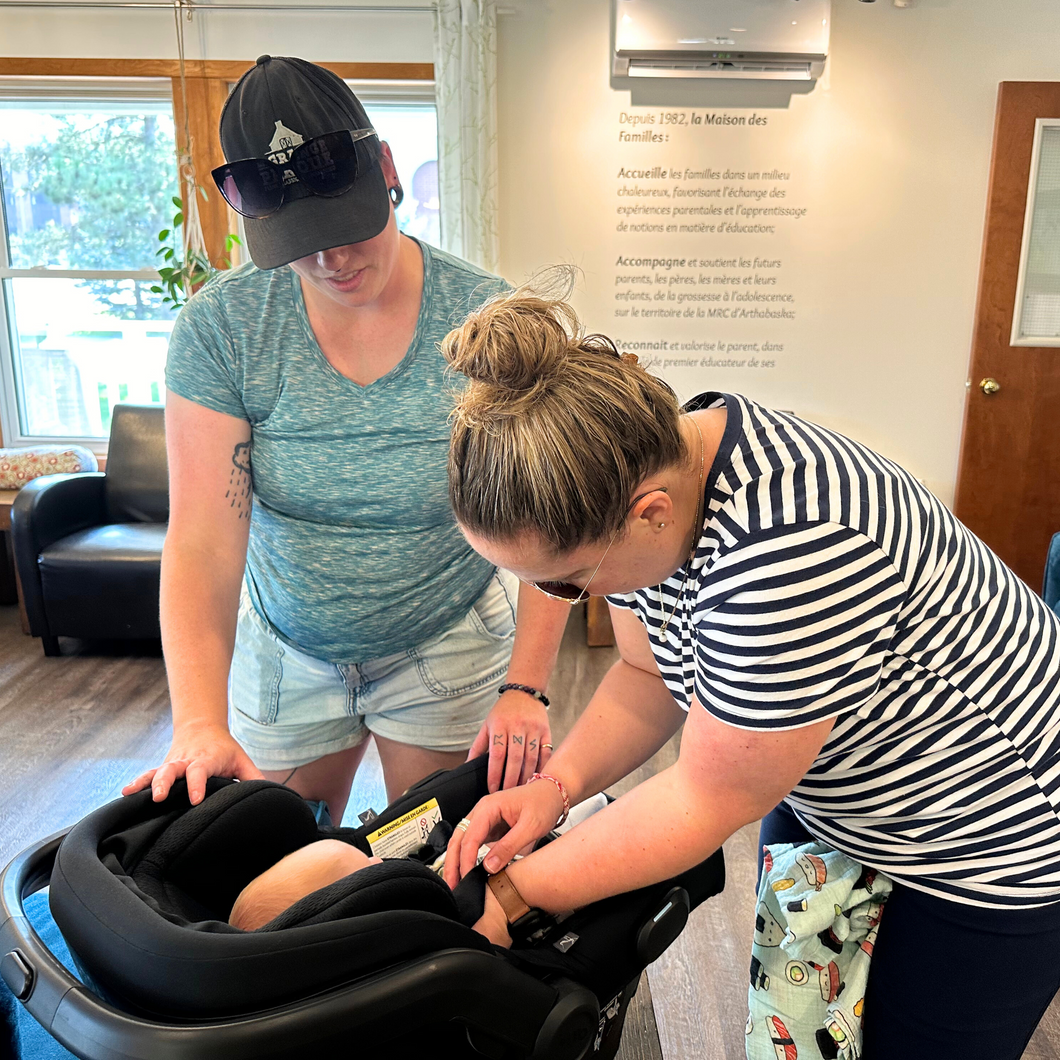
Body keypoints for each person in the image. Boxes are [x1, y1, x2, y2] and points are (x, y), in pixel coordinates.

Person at [441, 279, 1060, 1057]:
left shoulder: (788, 550)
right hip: (827, 781)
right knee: (798, 1034)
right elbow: (647, 677)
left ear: (650, 512)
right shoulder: (645, 461)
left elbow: (703, 800)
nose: (556, 600)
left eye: (562, 581)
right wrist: (554, 788)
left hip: (988, 834)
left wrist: (511, 890)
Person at [123, 56, 569, 823]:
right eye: (300, 240)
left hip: (443, 640)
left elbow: (551, 519)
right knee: (274, 869)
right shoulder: (224, 328)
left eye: (345, 229)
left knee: (438, 872)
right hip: (286, 652)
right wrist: (198, 722)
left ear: (386, 170)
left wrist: (526, 687)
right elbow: (202, 540)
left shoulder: (486, 319)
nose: (330, 260)